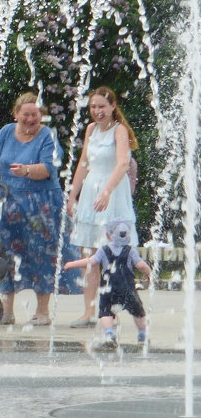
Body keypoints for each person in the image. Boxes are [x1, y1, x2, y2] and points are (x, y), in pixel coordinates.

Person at [0, 92, 78, 326]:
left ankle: (42, 311)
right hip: (8, 202)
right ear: (16, 114)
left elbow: (48, 168)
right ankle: (6, 310)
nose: (30, 119)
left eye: (35, 115)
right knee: (6, 254)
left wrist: (25, 170)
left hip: (41, 204)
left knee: (42, 254)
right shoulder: (5, 132)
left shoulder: (47, 136)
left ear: (40, 115)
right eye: (26, 115)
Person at [66, 87, 138, 328]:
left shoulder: (120, 131)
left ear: (112, 107)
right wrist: (73, 193)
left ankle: (111, 311)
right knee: (88, 255)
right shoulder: (91, 130)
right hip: (90, 194)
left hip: (113, 193)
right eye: (93, 107)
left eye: (102, 107)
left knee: (111, 255)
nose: (97, 111)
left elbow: (122, 163)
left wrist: (107, 191)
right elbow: (84, 163)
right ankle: (89, 312)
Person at [64, 219, 150, 349]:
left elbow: (90, 261)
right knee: (138, 312)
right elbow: (140, 265)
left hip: (108, 289)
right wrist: (149, 274)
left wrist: (72, 264)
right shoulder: (130, 251)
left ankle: (109, 333)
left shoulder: (103, 250)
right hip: (128, 289)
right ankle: (142, 334)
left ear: (107, 235)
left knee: (106, 312)